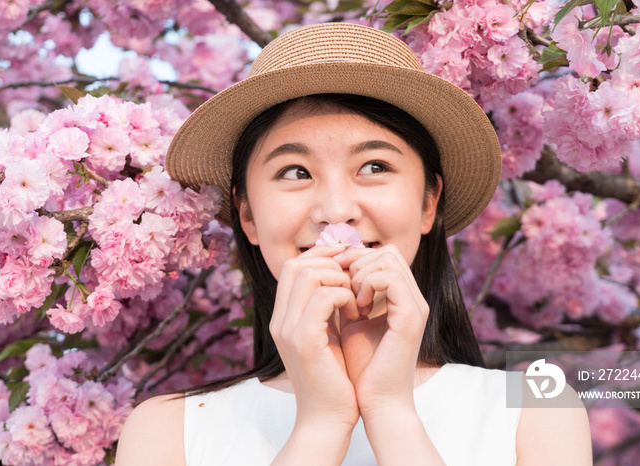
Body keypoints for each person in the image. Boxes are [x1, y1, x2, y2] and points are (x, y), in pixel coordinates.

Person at [114, 22, 592, 465]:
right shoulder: (170, 429)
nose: (336, 209)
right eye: (294, 172)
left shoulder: (536, 410)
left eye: (375, 167)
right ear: (248, 215)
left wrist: (390, 411)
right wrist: (321, 426)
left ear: (429, 203)